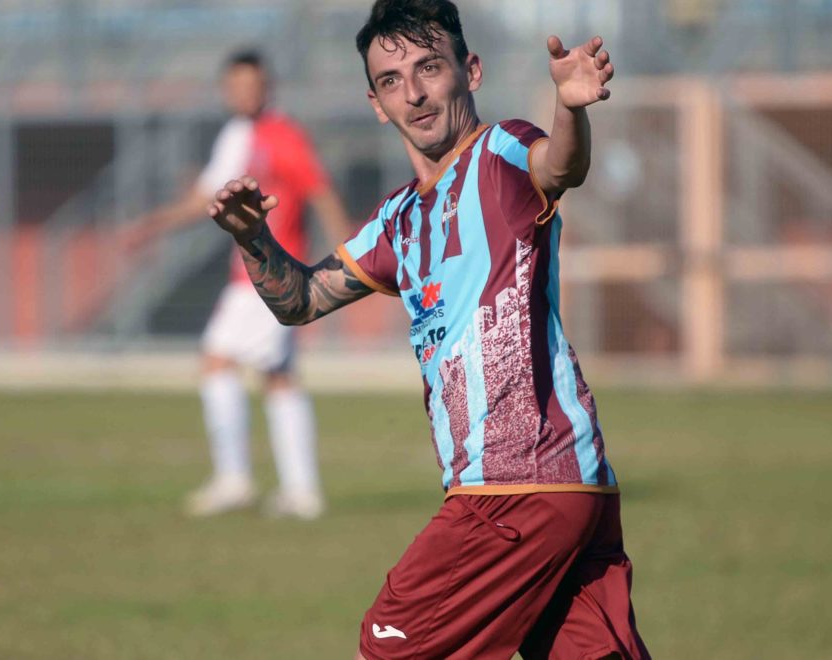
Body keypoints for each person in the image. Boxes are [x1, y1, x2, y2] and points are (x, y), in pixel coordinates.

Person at [204, 1, 651, 658]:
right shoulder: (397, 220)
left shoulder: (501, 152)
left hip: (516, 486)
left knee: (388, 647)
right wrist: (252, 237)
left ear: (471, 71)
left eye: (429, 68)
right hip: (570, 488)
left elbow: (559, 167)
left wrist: (569, 108)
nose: (413, 92)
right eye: (391, 80)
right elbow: (299, 300)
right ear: (376, 103)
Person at [122, 50, 353, 520]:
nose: (245, 93)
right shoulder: (235, 136)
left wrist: (350, 259)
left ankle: (236, 480)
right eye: (237, 86)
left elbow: (320, 191)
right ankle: (301, 492)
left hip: (273, 275)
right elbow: (204, 200)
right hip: (247, 276)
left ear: (268, 87)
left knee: (217, 362)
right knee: (278, 378)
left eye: (253, 85)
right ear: (227, 90)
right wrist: (156, 223)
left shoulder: (282, 135)